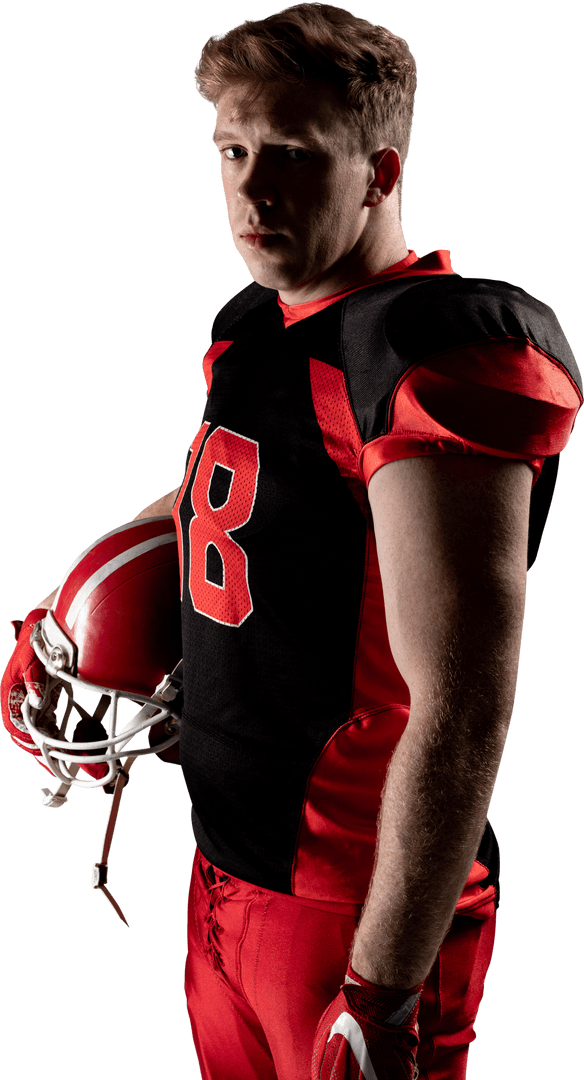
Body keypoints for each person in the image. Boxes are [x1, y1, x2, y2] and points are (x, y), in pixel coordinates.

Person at [2, 5, 581, 1079]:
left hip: (353, 906)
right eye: (232, 150)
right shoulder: (258, 325)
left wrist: (381, 986)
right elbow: (216, 496)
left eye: (292, 155)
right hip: (225, 866)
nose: (250, 188)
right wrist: (64, 618)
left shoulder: (426, 353)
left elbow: (459, 709)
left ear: (377, 170)